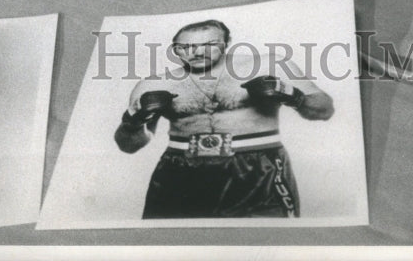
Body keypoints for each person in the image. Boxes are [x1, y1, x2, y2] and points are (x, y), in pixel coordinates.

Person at [113, 19, 334, 219]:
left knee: (266, 245)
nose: (197, 52)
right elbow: (128, 145)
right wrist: (134, 120)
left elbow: (324, 110)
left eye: (209, 45)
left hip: (257, 168)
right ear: (175, 51)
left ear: (226, 42)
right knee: (169, 247)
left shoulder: (268, 65)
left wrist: (293, 96)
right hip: (178, 170)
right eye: (186, 47)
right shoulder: (156, 84)